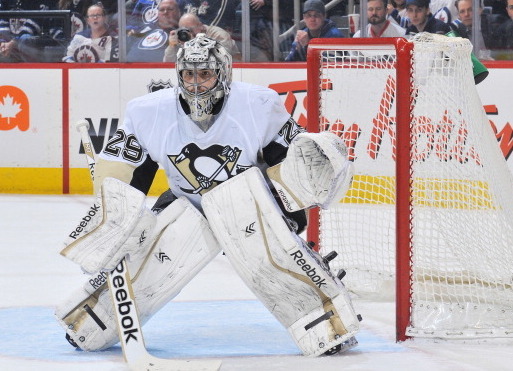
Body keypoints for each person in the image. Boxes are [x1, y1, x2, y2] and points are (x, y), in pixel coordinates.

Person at [55, 33, 359, 358]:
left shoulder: (257, 104)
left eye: (205, 74)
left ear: (223, 73)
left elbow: (289, 161)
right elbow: (126, 174)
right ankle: (92, 319)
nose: (196, 83)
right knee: (149, 267)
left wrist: (298, 200)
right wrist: (115, 223)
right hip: (188, 204)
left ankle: (324, 319)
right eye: (188, 74)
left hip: (251, 205)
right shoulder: (149, 111)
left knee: (258, 243)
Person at [163, 12, 241, 62]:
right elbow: (167, 63)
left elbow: (221, 58)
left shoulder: (217, 34)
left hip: (230, 71)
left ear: (200, 25)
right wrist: (171, 46)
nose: (187, 33)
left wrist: (193, 44)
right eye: (183, 30)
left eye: (190, 29)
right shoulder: (182, 38)